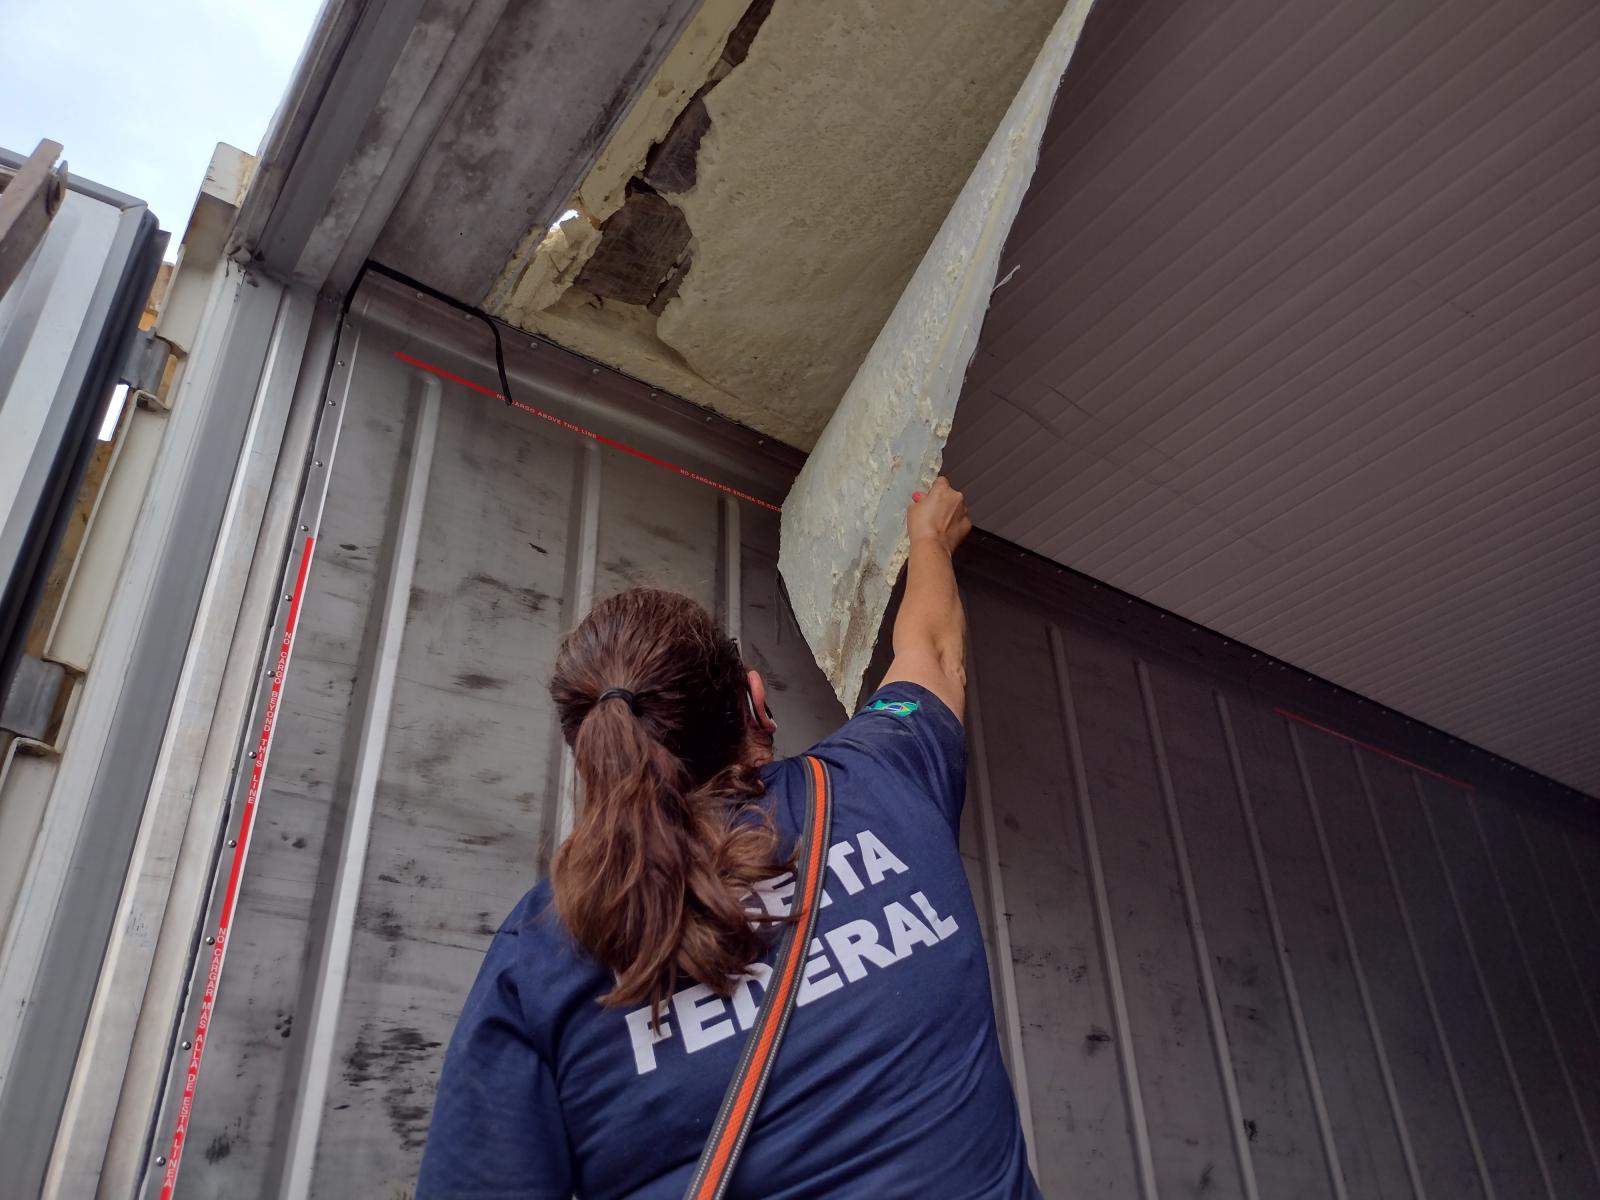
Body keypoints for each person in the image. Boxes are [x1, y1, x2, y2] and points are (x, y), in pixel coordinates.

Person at [418, 478, 1039, 1198]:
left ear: (597, 755)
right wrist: (932, 537)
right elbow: (933, 651)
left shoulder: (542, 954)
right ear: (753, 701)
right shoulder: (882, 775)